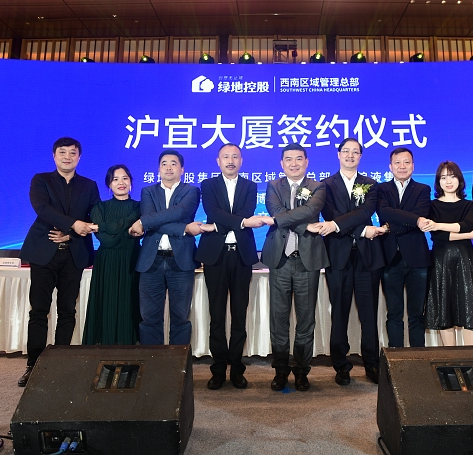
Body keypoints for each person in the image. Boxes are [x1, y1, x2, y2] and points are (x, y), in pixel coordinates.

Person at [18, 137, 100, 387]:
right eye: (62, 152)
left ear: (79, 157)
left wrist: (71, 233)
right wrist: (72, 224)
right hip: (44, 253)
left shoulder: (89, 185)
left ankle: (60, 363)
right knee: (39, 311)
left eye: (72, 153)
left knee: (67, 310)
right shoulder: (41, 180)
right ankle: (33, 365)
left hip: (74, 254)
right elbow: (42, 209)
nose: (67, 156)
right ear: (54, 156)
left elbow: (95, 216)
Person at [308, 138, 386, 385]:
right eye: (346, 151)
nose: (350, 155)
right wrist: (361, 230)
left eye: (355, 152)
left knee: (369, 313)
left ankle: (372, 363)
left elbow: (365, 212)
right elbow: (330, 216)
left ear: (360, 157)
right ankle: (341, 365)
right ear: (338, 154)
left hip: (366, 258)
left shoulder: (371, 184)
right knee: (339, 314)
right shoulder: (325, 185)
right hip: (338, 256)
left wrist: (340, 225)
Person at [196, 143, 268, 390]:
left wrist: (221, 224)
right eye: (225, 157)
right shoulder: (208, 185)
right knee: (216, 316)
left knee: (239, 315)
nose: (230, 160)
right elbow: (213, 212)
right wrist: (241, 222)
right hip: (215, 256)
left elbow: (246, 211)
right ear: (218, 161)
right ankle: (218, 370)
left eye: (235, 156)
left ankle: (237, 369)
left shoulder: (250, 186)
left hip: (241, 256)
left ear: (241, 160)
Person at [261, 143, 328, 392]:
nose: (293, 163)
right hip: (280, 260)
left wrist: (285, 220)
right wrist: (305, 226)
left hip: (307, 260)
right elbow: (276, 211)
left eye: (299, 159)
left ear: (306, 162)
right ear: (282, 164)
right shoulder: (273, 186)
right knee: (279, 319)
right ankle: (280, 371)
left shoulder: (318, 186)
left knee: (305, 320)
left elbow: (310, 210)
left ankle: (301, 371)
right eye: (288, 159)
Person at [130, 150, 203, 346]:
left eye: (173, 163)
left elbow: (180, 212)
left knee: (180, 316)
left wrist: (144, 222)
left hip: (181, 260)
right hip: (151, 261)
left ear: (182, 169)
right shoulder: (148, 191)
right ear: (158, 169)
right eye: (164, 163)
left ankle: (178, 361)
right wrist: (184, 229)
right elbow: (151, 220)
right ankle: (152, 360)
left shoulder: (191, 191)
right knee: (149, 317)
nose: (168, 167)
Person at [419, 161, 473, 346]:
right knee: (444, 308)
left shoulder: (471, 205)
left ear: (460, 179)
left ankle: (471, 357)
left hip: (465, 259)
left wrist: (439, 225)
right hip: (440, 260)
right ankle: (449, 357)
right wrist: (470, 235)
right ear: (438, 182)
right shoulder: (431, 206)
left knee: (469, 307)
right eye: (443, 177)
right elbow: (438, 236)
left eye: (452, 176)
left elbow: (467, 224)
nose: (448, 181)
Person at [376, 147, 431, 348]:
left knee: (417, 313)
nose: (402, 166)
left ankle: (418, 358)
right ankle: (395, 357)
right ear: (390, 167)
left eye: (406, 162)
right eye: (397, 163)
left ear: (413, 166)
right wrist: (415, 220)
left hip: (418, 259)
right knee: (394, 313)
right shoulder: (381, 189)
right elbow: (384, 212)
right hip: (390, 257)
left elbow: (421, 213)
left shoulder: (423, 189)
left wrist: (391, 226)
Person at [82, 165, 142, 345]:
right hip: (106, 261)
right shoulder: (99, 207)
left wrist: (102, 226)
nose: (120, 182)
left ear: (131, 182)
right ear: (109, 184)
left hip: (131, 259)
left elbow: (107, 232)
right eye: (115, 179)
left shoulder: (140, 207)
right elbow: (107, 240)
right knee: (106, 302)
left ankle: (130, 345)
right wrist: (125, 229)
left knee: (129, 302)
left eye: (125, 178)